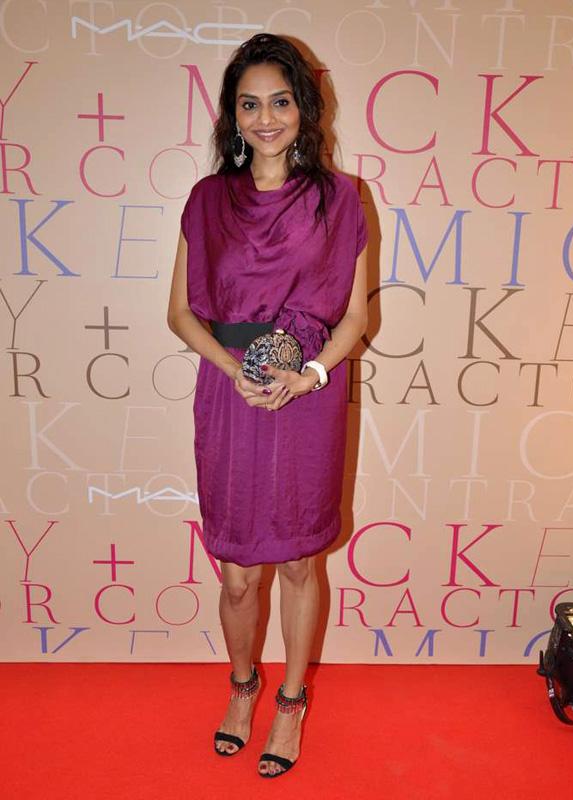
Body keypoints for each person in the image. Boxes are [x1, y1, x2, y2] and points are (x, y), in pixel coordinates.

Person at [167, 32, 368, 778]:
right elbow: (181, 313)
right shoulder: (207, 200)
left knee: (299, 564)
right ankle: (242, 688)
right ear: (233, 115)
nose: (266, 118)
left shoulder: (340, 198)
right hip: (231, 396)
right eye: (249, 105)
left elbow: (355, 318)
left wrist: (307, 375)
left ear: (304, 108)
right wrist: (234, 368)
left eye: (280, 102)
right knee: (237, 575)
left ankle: (290, 702)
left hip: (307, 395)